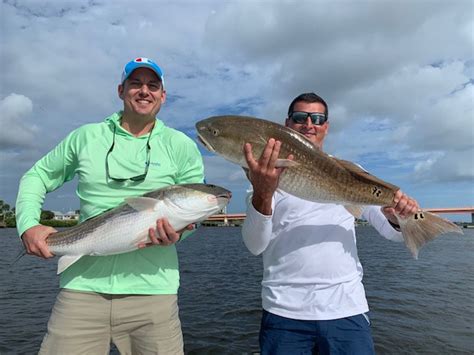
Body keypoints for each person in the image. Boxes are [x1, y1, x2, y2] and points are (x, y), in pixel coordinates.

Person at [16, 57, 204, 354]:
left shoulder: (181, 146)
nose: (145, 91)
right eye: (136, 83)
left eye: (153, 85)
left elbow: (192, 217)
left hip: (153, 292)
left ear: (163, 96)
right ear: (121, 90)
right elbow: (36, 176)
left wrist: (181, 234)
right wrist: (27, 224)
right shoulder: (86, 137)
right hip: (82, 288)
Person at [241, 92, 419, 354]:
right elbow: (255, 245)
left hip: (346, 310)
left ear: (326, 126)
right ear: (287, 124)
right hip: (284, 313)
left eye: (318, 118)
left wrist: (397, 218)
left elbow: (390, 232)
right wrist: (263, 192)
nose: (309, 124)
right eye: (300, 117)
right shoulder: (263, 175)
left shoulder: (349, 171)